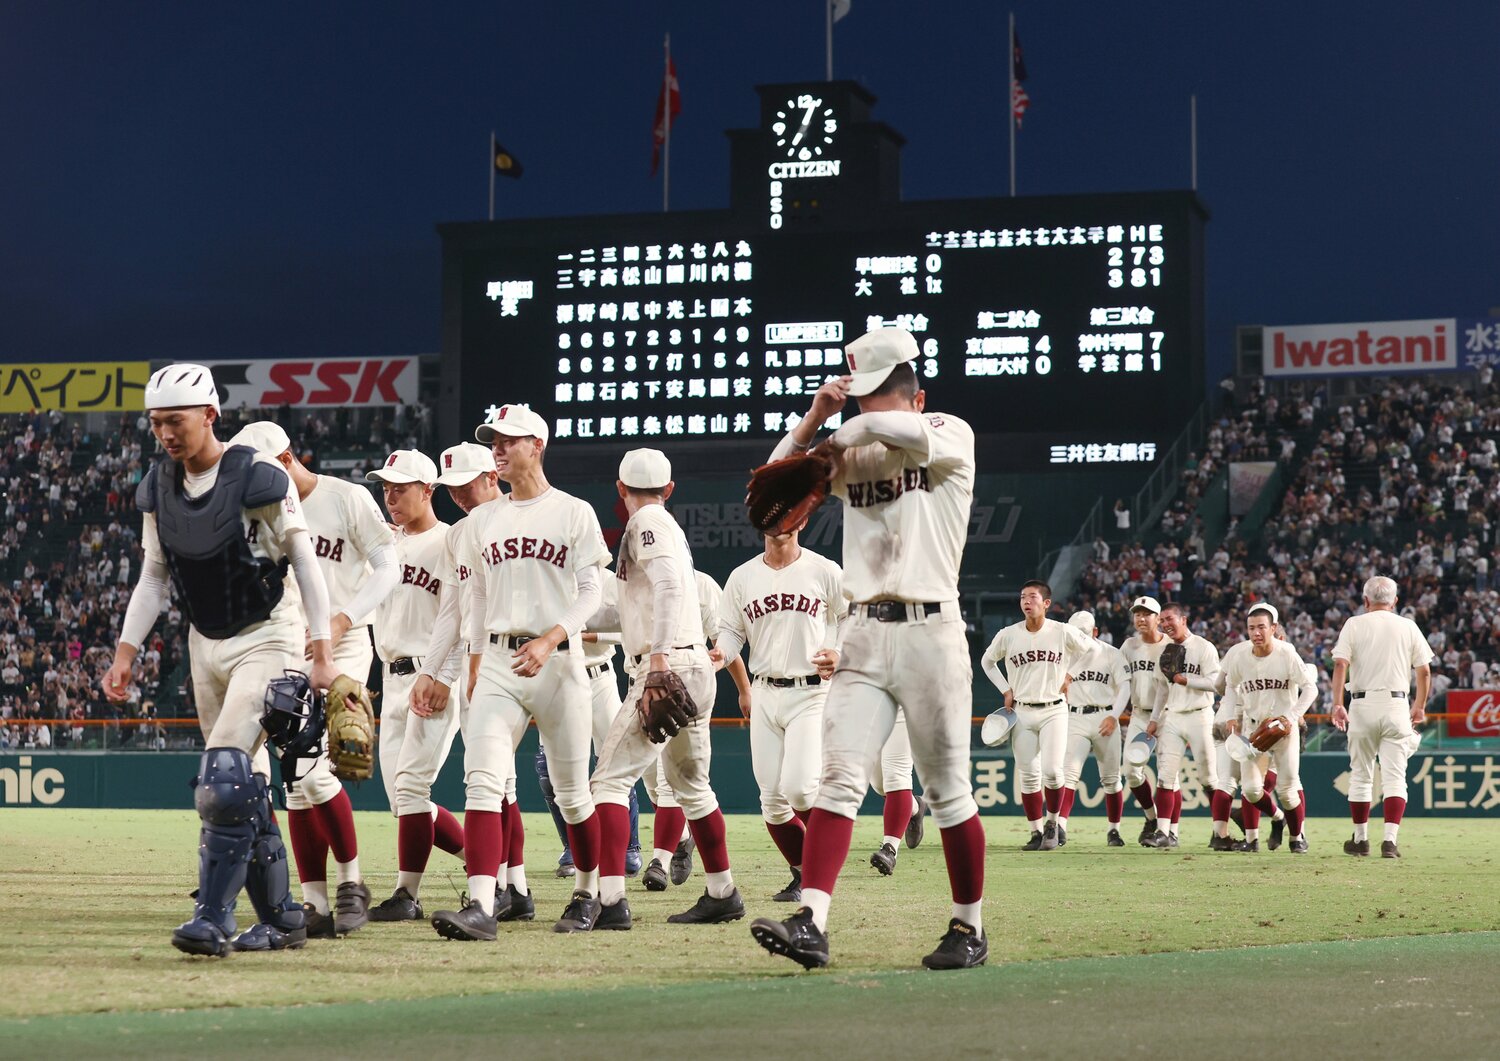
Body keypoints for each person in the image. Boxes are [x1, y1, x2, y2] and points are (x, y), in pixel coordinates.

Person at [749, 327, 986, 971]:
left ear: (914, 391)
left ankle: (969, 927)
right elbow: (773, 493)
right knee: (839, 778)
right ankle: (812, 920)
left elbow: (908, 435)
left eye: (878, 392)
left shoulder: (948, 431)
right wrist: (816, 419)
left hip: (931, 631)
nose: (866, 408)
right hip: (861, 629)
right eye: (861, 396)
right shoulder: (851, 441)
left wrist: (849, 430)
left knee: (948, 791)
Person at [102, 364, 338, 956]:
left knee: (225, 778)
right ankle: (283, 918)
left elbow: (304, 561)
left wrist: (321, 650)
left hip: (268, 634)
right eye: (156, 423)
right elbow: (154, 576)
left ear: (210, 414)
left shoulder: (258, 477)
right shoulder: (158, 485)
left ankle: (213, 919)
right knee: (241, 784)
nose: (165, 434)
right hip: (204, 642)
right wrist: (126, 653)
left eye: (175, 420)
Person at [432, 406, 609, 939]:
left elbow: (592, 591)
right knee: (483, 782)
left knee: (572, 793)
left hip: (559, 663)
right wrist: (476, 660)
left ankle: (588, 892)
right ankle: (484, 905)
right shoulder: (483, 521)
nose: (497, 449)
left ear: (537, 444)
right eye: (494, 441)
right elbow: (477, 596)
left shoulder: (574, 512)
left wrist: (554, 636)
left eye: (508, 440)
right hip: (501, 665)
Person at [229, 420, 395, 937]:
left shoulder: (346, 498)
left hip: (342, 644)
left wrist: (343, 618)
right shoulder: (257, 510)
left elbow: (388, 566)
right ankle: (314, 902)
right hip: (284, 645)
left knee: (316, 770)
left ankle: (352, 884)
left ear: (284, 460)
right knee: (296, 783)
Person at [591, 448, 745, 927]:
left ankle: (611, 903)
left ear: (620, 489)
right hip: (692, 664)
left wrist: (656, 660)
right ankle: (723, 891)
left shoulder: (646, 523)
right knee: (692, 788)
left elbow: (669, 589)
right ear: (670, 489)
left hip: (665, 665)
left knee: (609, 783)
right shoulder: (669, 526)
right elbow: (627, 609)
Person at [715, 518, 844, 902]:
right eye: (772, 516)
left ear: (803, 520)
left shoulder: (824, 570)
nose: (780, 523)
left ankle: (824, 865)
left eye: (789, 514)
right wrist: (720, 654)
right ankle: (806, 874)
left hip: (811, 691)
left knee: (801, 789)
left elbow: (854, 617)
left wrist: (840, 650)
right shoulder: (742, 577)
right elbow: (731, 631)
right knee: (772, 800)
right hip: (765, 692)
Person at [363, 449, 468, 922]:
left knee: (411, 788)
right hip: (391, 676)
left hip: (434, 675)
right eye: (385, 488)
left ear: (428, 491)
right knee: (403, 800)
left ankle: (407, 895)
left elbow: (464, 618)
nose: (389, 497)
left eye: (400, 488)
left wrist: (446, 677)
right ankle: (488, 862)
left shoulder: (450, 542)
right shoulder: (383, 546)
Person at [639, 569, 751, 892]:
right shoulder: (638, 582)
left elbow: (722, 643)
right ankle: (684, 837)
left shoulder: (701, 584)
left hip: (683, 684)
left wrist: (744, 689)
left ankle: (658, 861)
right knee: (652, 779)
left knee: (672, 780)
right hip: (642, 683)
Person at [981, 580, 1093, 850]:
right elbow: (987, 661)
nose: (1026, 601)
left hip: (1054, 709)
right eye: (1022, 597)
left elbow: (1090, 650)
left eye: (1032, 597)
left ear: (1046, 603)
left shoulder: (1062, 631)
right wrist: (1005, 689)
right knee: (1029, 775)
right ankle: (1035, 831)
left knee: (1053, 772)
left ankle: (1053, 823)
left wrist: (1070, 675)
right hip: (1021, 711)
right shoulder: (1009, 634)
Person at [1330, 575, 1433, 858]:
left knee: (1361, 776)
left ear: (1365, 601)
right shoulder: (1408, 626)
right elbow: (1423, 671)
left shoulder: (1354, 624)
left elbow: (1340, 665)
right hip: (1396, 705)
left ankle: (1361, 840)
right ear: (1395, 601)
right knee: (1394, 778)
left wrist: (1338, 703)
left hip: (1362, 705)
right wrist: (1419, 705)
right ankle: (1389, 841)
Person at [1217, 603, 1316, 853]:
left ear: (1273, 628)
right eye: (1251, 628)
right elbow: (1230, 686)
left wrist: (1292, 717)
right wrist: (1230, 715)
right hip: (1253, 731)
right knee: (1250, 791)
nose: (1256, 633)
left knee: (1288, 789)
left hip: (1283, 730)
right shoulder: (1240, 656)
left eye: (1261, 627)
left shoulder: (1287, 653)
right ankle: (1278, 818)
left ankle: (1297, 839)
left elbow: (1310, 688)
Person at [1142, 602, 1220, 849]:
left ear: (1183, 619)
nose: (1165, 624)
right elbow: (1162, 691)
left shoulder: (1204, 647)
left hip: (1200, 715)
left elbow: (1217, 683)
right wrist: (1154, 719)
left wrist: (1186, 680)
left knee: (1208, 778)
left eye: (1169, 619)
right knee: (1165, 776)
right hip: (1173, 716)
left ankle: (1220, 830)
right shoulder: (1165, 651)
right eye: (1162, 621)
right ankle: (1164, 832)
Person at [1059, 610, 1129, 846]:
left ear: (1096, 632)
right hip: (1075, 716)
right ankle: (1060, 827)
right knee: (1068, 775)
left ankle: (1114, 830)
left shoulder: (1111, 653)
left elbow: (1125, 688)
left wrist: (1114, 716)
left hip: (1103, 715)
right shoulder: (1064, 655)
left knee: (1111, 779)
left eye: (1084, 634)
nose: (1079, 640)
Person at [1118, 597, 1166, 843]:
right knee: (1131, 771)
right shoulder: (1128, 646)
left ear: (1158, 619)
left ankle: (1169, 831)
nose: (1141, 618)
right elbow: (1120, 680)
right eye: (1137, 613)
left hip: (1168, 716)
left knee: (1169, 776)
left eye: (1147, 614)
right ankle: (1151, 818)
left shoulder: (1170, 645)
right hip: (1139, 714)